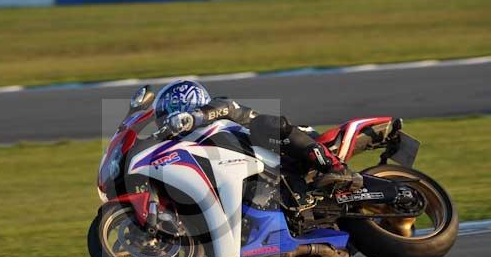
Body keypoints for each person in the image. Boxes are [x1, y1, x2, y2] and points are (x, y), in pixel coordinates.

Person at [153, 79, 362, 191]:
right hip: (264, 176)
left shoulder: (216, 108)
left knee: (262, 124)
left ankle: (335, 167)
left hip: (284, 145)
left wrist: (195, 117)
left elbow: (226, 107)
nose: (165, 120)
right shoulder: (192, 143)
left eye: (166, 113)